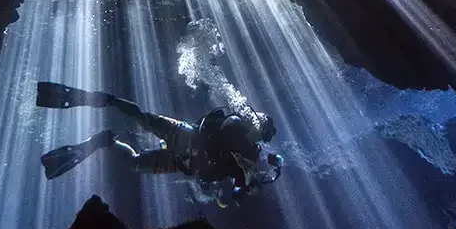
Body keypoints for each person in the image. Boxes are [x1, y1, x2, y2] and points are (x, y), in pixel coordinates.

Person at [36, 82, 282, 205]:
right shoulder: (237, 124)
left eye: (263, 131)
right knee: (142, 119)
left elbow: (234, 187)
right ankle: (107, 100)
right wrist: (243, 185)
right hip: (186, 136)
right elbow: (235, 173)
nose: (259, 130)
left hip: (182, 162)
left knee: (135, 162)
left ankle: (105, 140)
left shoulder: (247, 158)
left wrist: (243, 189)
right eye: (262, 126)